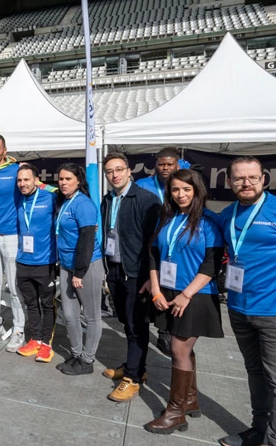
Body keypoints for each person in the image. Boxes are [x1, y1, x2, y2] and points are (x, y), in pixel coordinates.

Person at [145, 168, 224, 434]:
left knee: (178, 349)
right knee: (184, 349)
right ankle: (190, 399)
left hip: (196, 295)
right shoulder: (168, 218)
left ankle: (175, 412)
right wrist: (155, 288)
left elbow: (211, 264)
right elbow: (154, 254)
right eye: (175, 189)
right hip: (167, 291)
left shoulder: (209, 221)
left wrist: (187, 294)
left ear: (197, 190)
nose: (180, 194)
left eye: (186, 189)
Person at [217, 156, 276, 446]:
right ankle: (258, 428)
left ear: (264, 178)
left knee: (275, 379)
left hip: (272, 311)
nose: (246, 183)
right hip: (238, 308)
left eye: (253, 177)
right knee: (254, 372)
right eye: (239, 178)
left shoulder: (275, 209)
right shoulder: (227, 214)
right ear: (229, 182)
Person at [0, 134, 57, 350]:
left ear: (5, 150)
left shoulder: (17, 170)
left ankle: (18, 329)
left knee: (15, 287)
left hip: (13, 236)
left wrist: (63, 194)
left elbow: (41, 186)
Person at [100, 152, 160, 402]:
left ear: (129, 171)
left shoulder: (147, 200)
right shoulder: (108, 200)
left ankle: (133, 378)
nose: (114, 175)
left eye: (118, 170)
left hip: (137, 274)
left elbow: (153, 243)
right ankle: (136, 366)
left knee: (137, 326)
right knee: (126, 321)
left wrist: (149, 276)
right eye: (109, 172)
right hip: (115, 270)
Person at [55, 163, 104, 375]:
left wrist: (79, 272)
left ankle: (87, 359)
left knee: (92, 316)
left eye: (68, 179)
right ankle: (76, 354)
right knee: (69, 314)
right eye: (61, 179)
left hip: (86, 266)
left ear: (78, 181)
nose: (64, 183)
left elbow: (87, 240)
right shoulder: (64, 201)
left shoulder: (83, 204)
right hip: (66, 264)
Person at [136, 147, 181, 356]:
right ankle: (158, 330)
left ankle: (168, 331)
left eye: (169, 164)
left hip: (174, 245)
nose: (165, 168)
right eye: (162, 164)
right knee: (150, 286)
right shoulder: (143, 185)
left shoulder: (181, 185)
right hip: (147, 243)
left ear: (177, 165)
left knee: (170, 286)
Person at [14, 164, 58, 362]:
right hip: (23, 261)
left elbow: (61, 192)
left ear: (36, 180)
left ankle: (47, 344)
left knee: (47, 304)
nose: (23, 184)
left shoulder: (51, 197)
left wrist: (45, 186)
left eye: (27, 180)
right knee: (31, 303)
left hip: (45, 261)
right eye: (20, 180)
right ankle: (36, 338)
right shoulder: (19, 199)